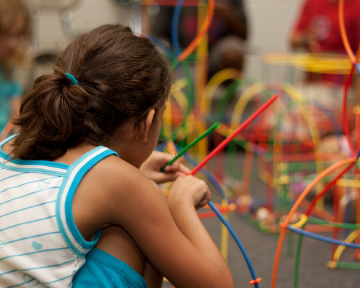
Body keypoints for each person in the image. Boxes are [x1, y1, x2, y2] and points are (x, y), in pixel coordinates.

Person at [0, 24, 234, 288]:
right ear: (145, 124)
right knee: (135, 228)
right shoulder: (123, 185)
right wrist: (180, 204)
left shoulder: (12, 143)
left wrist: (137, 173)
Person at [287, 0, 360, 139]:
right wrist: (305, 39)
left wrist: (355, 109)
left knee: (298, 124)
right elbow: (293, 39)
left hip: (339, 89)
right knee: (277, 115)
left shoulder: (355, 6)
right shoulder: (313, 3)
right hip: (311, 86)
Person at [151, 0, 248, 79]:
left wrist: (229, 17)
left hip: (214, 55)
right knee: (157, 49)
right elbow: (157, 34)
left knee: (233, 52)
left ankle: (226, 100)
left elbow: (244, 35)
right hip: (181, 56)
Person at [0, 0, 30, 134]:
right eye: (8, 35)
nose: (13, 43)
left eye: (18, 35)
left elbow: (16, 118)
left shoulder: (9, 68)